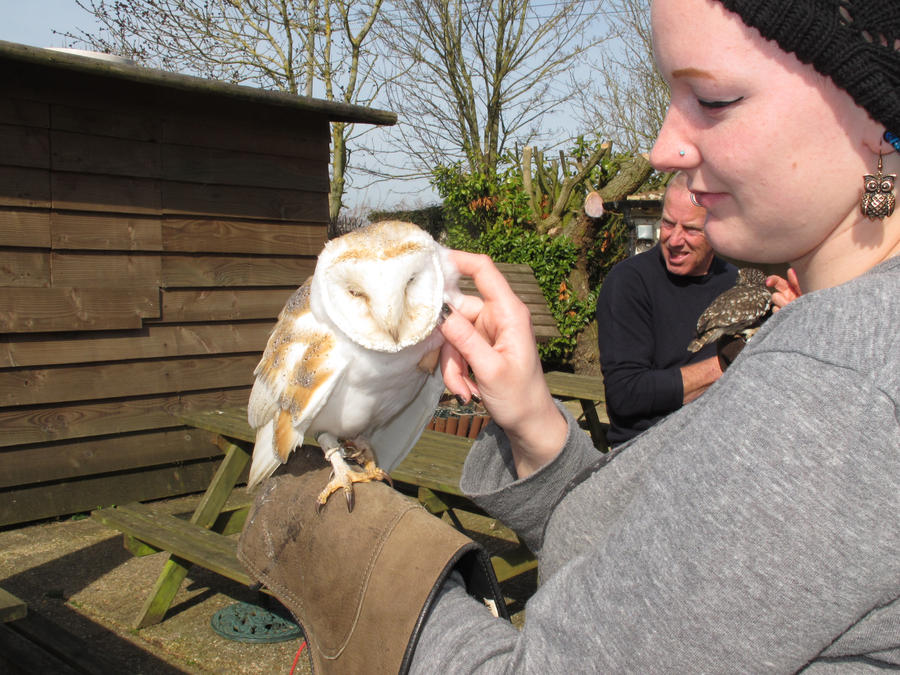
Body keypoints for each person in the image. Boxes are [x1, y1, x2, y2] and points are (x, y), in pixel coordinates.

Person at [238, 0, 899, 671]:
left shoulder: (842, 383)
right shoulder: (855, 343)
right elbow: (641, 585)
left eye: (713, 97)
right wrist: (531, 423)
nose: (663, 146)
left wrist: (362, 565)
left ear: (876, 108)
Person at [596, 172, 737, 445]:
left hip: (723, 445)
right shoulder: (630, 282)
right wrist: (726, 364)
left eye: (691, 229)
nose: (673, 240)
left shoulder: (736, 284)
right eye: (669, 224)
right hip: (647, 449)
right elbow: (626, 395)